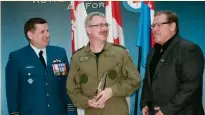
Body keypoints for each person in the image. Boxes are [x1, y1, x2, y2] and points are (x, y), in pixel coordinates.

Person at [66, 12, 141, 115]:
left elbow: (135, 80)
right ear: (89, 29)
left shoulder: (120, 53)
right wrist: (87, 102)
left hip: (117, 111)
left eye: (106, 25)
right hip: (92, 112)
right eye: (100, 25)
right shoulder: (77, 57)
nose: (104, 29)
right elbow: (72, 89)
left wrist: (112, 91)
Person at [6, 17, 77, 115]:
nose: (47, 35)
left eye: (47, 30)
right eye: (42, 32)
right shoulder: (17, 57)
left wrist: (71, 111)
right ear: (30, 35)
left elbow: (68, 84)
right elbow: (12, 91)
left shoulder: (59, 52)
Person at [141, 10, 204, 115]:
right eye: (153, 26)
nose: (154, 29)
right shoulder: (153, 52)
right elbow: (148, 81)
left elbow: (190, 86)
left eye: (159, 25)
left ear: (172, 26)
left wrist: (166, 111)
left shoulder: (189, 49)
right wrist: (145, 103)